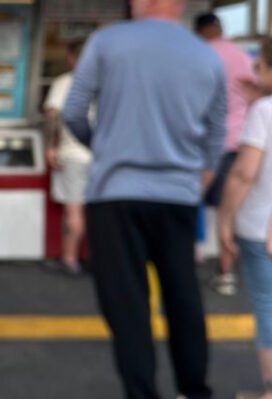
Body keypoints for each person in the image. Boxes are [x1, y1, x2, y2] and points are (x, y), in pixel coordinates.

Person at [63, 0, 227, 397]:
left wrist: (104, 149)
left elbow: (73, 112)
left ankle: (141, 393)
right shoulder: (206, 56)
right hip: (178, 195)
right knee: (183, 296)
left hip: (114, 195)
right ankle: (194, 389)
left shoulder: (105, 42)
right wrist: (197, 177)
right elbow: (217, 133)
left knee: (128, 307)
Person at [219, 38, 272, 399]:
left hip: (261, 227)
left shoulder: (264, 111)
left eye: (260, 66)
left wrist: (225, 218)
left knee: (268, 307)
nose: (254, 73)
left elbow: (245, 174)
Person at [195, 12, 256, 296]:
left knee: (191, 199)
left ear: (201, 30)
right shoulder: (242, 56)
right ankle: (227, 272)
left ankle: (193, 260)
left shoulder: (199, 55)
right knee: (228, 210)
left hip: (206, 143)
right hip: (241, 142)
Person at [43, 39, 90, 276]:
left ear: (72, 58)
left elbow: (53, 115)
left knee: (74, 211)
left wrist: (51, 146)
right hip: (101, 156)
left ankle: (70, 260)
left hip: (73, 154)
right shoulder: (109, 82)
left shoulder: (65, 82)